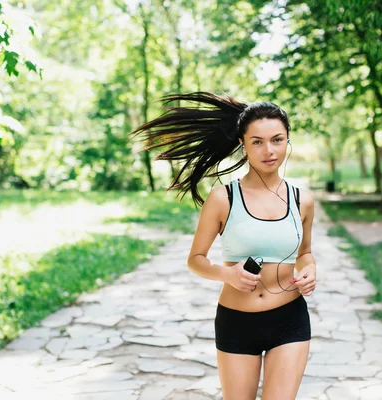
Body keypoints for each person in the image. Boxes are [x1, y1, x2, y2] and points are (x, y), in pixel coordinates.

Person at [131, 92, 317, 400]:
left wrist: (309, 270)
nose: (268, 150)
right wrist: (226, 274)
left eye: (277, 139)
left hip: (289, 318)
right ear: (243, 145)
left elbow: (305, 252)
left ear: (287, 141)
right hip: (237, 320)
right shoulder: (223, 199)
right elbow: (196, 259)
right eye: (257, 141)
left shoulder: (303, 200)